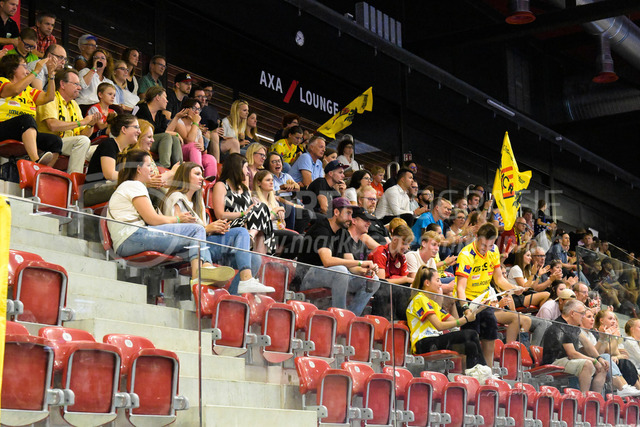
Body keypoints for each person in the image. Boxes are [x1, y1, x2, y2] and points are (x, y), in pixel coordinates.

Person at [107, 149, 235, 294]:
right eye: (149, 166)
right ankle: (199, 275)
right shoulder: (134, 185)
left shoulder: (131, 186)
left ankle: (204, 269)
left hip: (130, 239)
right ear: (138, 169)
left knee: (193, 239)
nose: (152, 169)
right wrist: (178, 219)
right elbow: (152, 219)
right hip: (131, 237)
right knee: (196, 229)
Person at [161, 162, 273, 294]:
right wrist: (207, 228)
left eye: (202, 174)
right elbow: (177, 233)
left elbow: (202, 231)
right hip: (187, 249)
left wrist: (215, 229)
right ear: (185, 176)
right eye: (197, 174)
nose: (202, 178)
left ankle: (232, 298)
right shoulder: (175, 197)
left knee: (254, 258)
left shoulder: (198, 202)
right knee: (241, 232)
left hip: (205, 245)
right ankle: (246, 279)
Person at [456, 223, 525, 365]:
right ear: (476, 237)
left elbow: (499, 279)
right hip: (467, 300)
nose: (486, 249)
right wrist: (465, 308)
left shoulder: (493, 251)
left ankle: (488, 370)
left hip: (484, 299)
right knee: (470, 337)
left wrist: (514, 288)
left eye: (490, 245)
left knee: (490, 333)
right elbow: (460, 288)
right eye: (483, 245)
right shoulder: (466, 255)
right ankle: (467, 371)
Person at [296, 197, 380, 315]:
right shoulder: (321, 228)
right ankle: (340, 314)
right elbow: (327, 261)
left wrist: (366, 271)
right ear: (336, 212)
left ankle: (352, 316)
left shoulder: (343, 232)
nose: (350, 218)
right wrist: (360, 263)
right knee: (341, 270)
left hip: (333, 275)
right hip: (307, 276)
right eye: (348, 213)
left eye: (351, 214)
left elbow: (352, 267)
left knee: (374, 280)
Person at [407, 266, 488, 372]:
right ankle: (484, 371)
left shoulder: (433, 304)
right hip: (423, 343)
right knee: (471, 333)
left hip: (434, 340)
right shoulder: (420, 299)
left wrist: (479, 308)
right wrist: (466, 319)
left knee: (470, 346)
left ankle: (476, 374)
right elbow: (439, 326)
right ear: (427, 283)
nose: (440, 284)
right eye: (437, 280)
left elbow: (456, 322)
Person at [36, 68, 101, 174]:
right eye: (76, 84)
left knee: (103, 148)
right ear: (62, 84)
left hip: (71, 144)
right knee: (82, 141)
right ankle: (74, 177)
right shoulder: (50, 98)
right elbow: (52, 125)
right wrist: (82, 122)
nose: (80, 87)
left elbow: (83, 134)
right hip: (52, 143)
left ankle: (96, 182)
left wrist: (90, 125)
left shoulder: (74, 104)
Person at [0, 54, 59, 165]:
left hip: (24, 131)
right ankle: (35, 162)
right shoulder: (2, 81)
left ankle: (43, 172)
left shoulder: (28, 90)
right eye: (25, 66)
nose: (27, 71)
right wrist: (36, 71)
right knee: (26, 119)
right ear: (12, 67)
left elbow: (49, 97)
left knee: (55, 141)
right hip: (3, 127)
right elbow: (15, 90)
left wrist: (51, 76)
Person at [211, 153, 275, 254]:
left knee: (262, 212)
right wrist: (242, 214)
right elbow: (220, 215)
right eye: (246, 168)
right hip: (229, 224)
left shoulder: (244, 188)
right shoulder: (221, 185)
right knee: (261, 210)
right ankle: (253, 243)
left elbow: (251, 211)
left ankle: (253, 244)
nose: (248, 172)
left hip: (246, 223)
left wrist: (247, 214)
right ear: (237, 168)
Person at [540, 299, 607, 393]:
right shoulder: (560, 326)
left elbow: (587, 344)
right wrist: (594, 360)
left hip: (568, 360)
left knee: (603, 366)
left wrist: (599, 358)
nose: (583, 316)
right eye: (582, 313)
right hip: (555, 361)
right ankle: (584, 397)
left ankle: (595, 398)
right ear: (572, 313)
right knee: (587, 364)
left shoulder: (573, 327)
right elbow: (572, 354)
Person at [579, 309, 640, 396]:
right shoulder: (597, 332)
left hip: (607, 360)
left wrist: (617, 355)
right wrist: (613, 338)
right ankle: (623, 387)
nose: (614, 321)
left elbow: (623, 354)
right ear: (601, 320)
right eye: (610, 319)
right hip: (596, 360)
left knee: (625, 363)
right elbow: (608, 351)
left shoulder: (591, 334)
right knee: (621, 362)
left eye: (615, 319)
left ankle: (626, 388)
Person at [84, 114, 140, 206]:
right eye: (136, 127)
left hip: (109, 187)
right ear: (124, 129)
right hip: (92, 191)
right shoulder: (109, 144)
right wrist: (134, 178)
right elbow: (109, 174)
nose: (139, 131)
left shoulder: (126, 151)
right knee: (136, 186)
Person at [252, 170, 302, 258]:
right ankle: (282, 260)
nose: (271, 182)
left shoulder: (273, 200)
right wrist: (276, 210)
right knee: (298, 239)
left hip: (277, 230)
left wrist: (281, 220)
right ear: (259, 183)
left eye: (272, 180)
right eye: (268, 180)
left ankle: (281, 260)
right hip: (266, 232)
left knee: (301, 240)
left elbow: (282, 223)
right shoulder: (254, 200)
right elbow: (261, 222)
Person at [134, 86, 184, 168]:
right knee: (167, 136)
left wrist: (177, 117)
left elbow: (166, 131)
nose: (167, 101)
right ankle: (164, 165)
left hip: (153, 140)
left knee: (174, 138)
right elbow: (163, 133)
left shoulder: (160, 115)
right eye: (165, 97)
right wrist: (175, 133)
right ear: (157, 97)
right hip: (141, 139)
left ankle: (179, 166)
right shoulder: (142, 108)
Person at [177, 98, 217, 181]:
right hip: (181, 153)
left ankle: (208, 184)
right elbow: (189, 141)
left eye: (198, 109)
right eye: (194, 108)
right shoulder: (179, 122)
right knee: (193, 145)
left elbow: (203, 150)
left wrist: (202, 148)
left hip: (195, 155)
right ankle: (199, 174)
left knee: (210, 158)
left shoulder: (196, 127)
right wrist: (195, 123)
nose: (196, 112)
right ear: (186, 109)